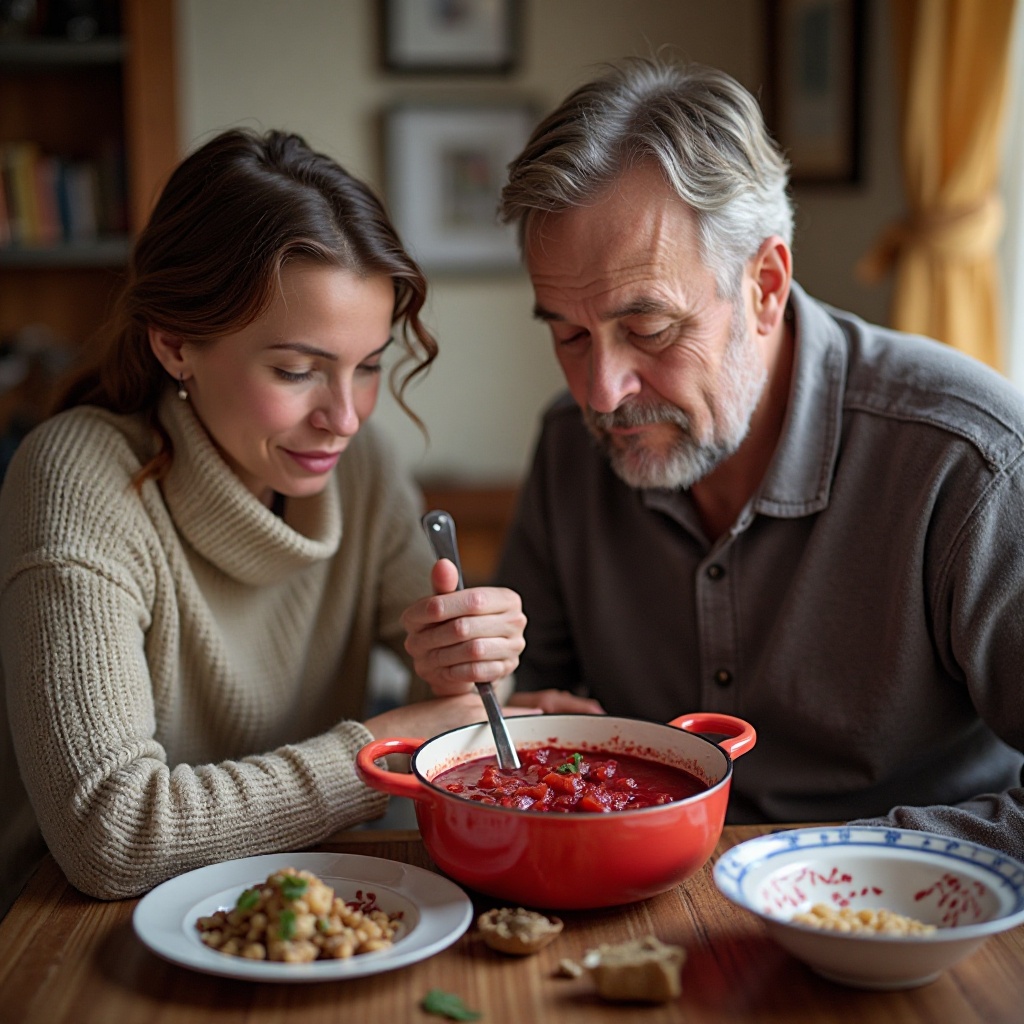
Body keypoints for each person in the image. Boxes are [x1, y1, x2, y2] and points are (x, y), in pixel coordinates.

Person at [0, 128, 540, 918]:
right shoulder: (75, 478)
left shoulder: (362, 466)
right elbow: (108, 835)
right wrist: (379, 749)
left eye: (368, 368)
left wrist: (472, 659)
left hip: (317, 904)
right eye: (296, 371)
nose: (344, 418)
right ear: (176, 344)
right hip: (76, 929)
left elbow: (457, 695)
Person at [492, 57, 1024, 858]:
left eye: (649, 329)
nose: (600, 393)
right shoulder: (571, 446)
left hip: (911, 932)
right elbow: (533, 711)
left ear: (766, 285)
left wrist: (803, 867)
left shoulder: (969, 461)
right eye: (568, 333)